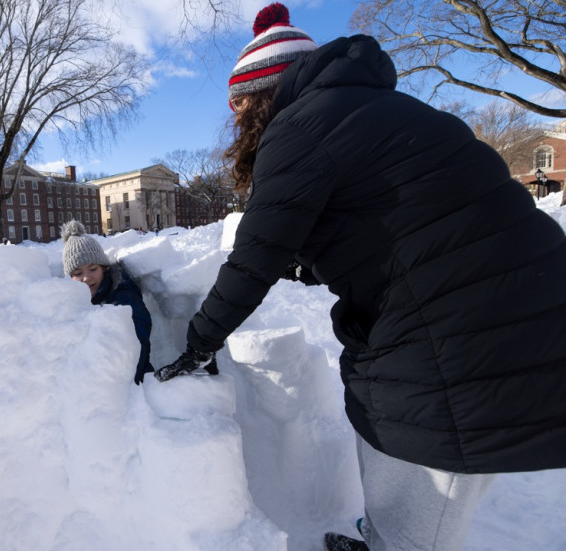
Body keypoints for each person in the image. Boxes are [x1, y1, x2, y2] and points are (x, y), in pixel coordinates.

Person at [154, 4, 566, 551]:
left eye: (239, 107)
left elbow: (253, 258)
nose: (238, 121)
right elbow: (396, 223)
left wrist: (197, 344)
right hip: (519, 310)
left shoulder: (298, 127)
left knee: (420, 492)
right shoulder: (386, 110)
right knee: (387, 428)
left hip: (466, 340)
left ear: (258, 97)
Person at [62, 220, 155, 385]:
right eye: (77, 273)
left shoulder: (124, 298)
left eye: (93, 269)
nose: (86, 277)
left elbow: (139, 346)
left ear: (104, 268)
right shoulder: (70, 304)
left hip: (133, 384)